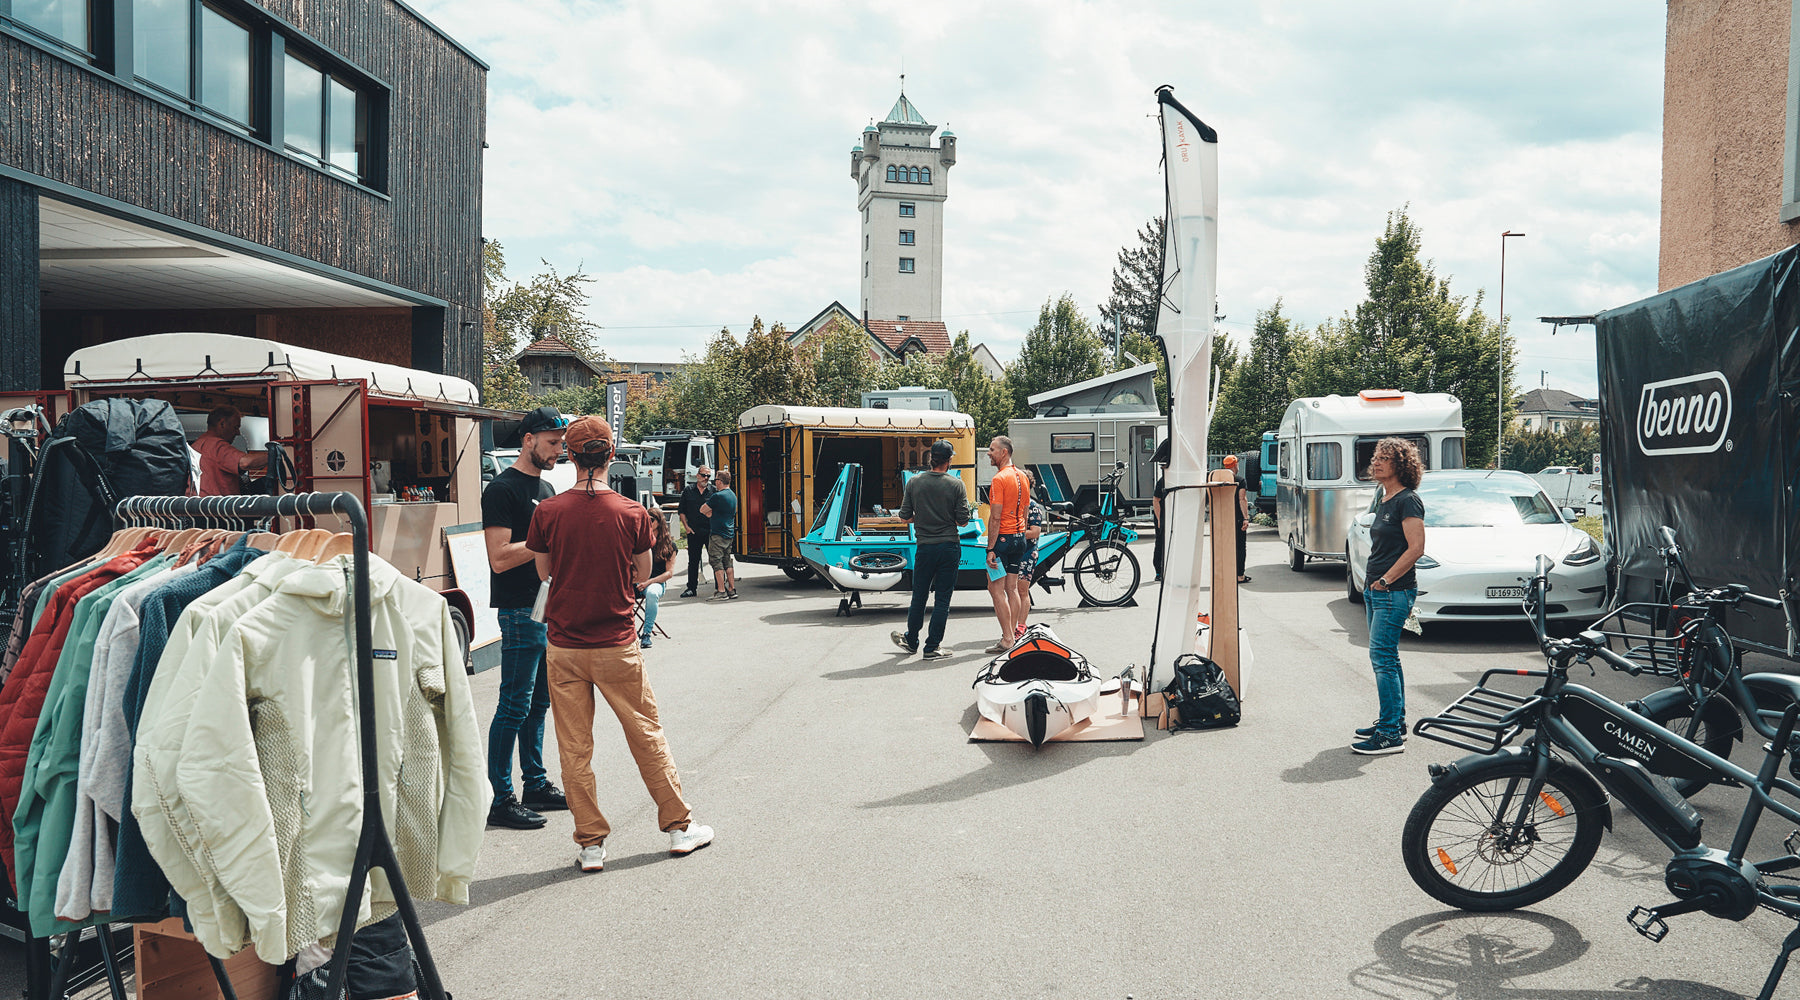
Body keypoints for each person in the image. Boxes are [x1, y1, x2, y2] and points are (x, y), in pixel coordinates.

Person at [526, 416, 714, 872]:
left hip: (565, 644)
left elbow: (543, 573)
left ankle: (591, 844)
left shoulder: (547, 512)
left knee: (573, 748)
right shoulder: (630, 513)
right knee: (645, 733)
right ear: (612, 455)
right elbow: (642, 574)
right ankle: (677, 827)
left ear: (569, 457)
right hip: (615, 642)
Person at [480, 405, 571, 830]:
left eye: (561, 444)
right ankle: (500, 798)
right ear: (529, 439)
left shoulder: (548, 488)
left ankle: (534, 783)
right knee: (514, 706)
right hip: (518, 611)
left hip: (546, 608)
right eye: (552, 443)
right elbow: (498, 558)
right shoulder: (502, 490)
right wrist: (541, 541)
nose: (558, 451)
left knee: (539, 705)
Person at [1353, 436, 1426, 756]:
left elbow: (1417, 548)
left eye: (1385, 457)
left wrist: (1384, 580)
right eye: (1376, 457)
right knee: (1388, 658)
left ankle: (1388, 734)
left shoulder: (1408, 500)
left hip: (1392, 591)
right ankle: (1394, 722)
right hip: (1377, 590)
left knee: (1382, 659)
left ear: (1401, 464)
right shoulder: (1385, 497)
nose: (1377, 461)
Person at [889, 439, 971, 659]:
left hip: (924, 547)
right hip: (949, 547)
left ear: (931, 458)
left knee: (919, 595)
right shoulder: (956, 485)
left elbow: (904, 516)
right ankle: (932, 646)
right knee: (942, 599)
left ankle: (912, 639)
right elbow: (963, 520)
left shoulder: (914, 483)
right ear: (949, 460)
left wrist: (923, 518)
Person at [983, 436, 1031, 653]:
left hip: (1002, 539)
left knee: (995, 589)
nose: (988, 453)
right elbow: (1026, 511)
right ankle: (1013, 635)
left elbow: (995, 517)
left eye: (992, 450)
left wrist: (991, 548)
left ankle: (1007, 639)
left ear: (1004, 452)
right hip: (1019, 538)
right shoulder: (1023, 476)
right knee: (1012, 589)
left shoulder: (999, 479)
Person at [192, 407, 268, 496]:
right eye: (236, 427)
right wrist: (274, 454)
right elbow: (245, 463)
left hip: (198, 505)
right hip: (217, 506)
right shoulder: (215, 445)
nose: (238, 433)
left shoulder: (197, 444)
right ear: (222, 424)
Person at [1011, 468, 1046, 640]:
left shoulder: (1033, 507)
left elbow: (1035, 532)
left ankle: (1021, 626)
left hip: (1027, 552)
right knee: (1011, 590)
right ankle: (1011, 627)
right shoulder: (1012, 503)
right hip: (1013, 552)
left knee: (1022, 590)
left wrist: (1013, 533)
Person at [638, 506, 678, 648]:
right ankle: (623, 632)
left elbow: (669, 573)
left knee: (652, 593)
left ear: (659, 522)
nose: (648, 523)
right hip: (637, 581)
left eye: (651, 520)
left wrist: (649, 582)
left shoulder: (669, 545)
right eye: (645, 520)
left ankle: (646, 634)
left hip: (656, 582)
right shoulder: (639, 541)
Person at [700, 469, 738, 600]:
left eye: (715, 479)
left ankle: (721, 591)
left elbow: (702, 509)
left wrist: (710, 514)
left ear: (720, 482)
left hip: (718, 534)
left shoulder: (717, 496)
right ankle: (732, 589)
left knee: (716, 561)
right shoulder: (733, 495)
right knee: (728, 561)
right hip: (729, 533)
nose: (714, 482)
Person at [677, 466, 713, 597]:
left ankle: (719, 587)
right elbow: (681, 511)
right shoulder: (688, 490)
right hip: (693, 532)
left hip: (709, 531)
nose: (706, 478)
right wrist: (686, 527)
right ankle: (691, 588)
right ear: (697, 475)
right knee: (693, 561)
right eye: (704, 475)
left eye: (708, 476)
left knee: (714, 560)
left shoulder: (713, 491)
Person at [1222, 454, 1251, 583]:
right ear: (1235, 465)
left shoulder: (1218, 480)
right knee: (1240, 547)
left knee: (1225, 547)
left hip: (1223, 518)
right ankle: (1239, 575)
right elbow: (1242, 499)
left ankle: (1225, 574)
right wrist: (1246, 518)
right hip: (1238, 519)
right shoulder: (1239, 480)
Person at [1151, 439, 1170, 581]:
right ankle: (1158, 571)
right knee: (1160, 543)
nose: (1162, 469)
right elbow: (1156, 500)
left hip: (1168, 514)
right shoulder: (1162, 482)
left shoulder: (1170, 480)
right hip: (1162, 515)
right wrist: (1159, 520)